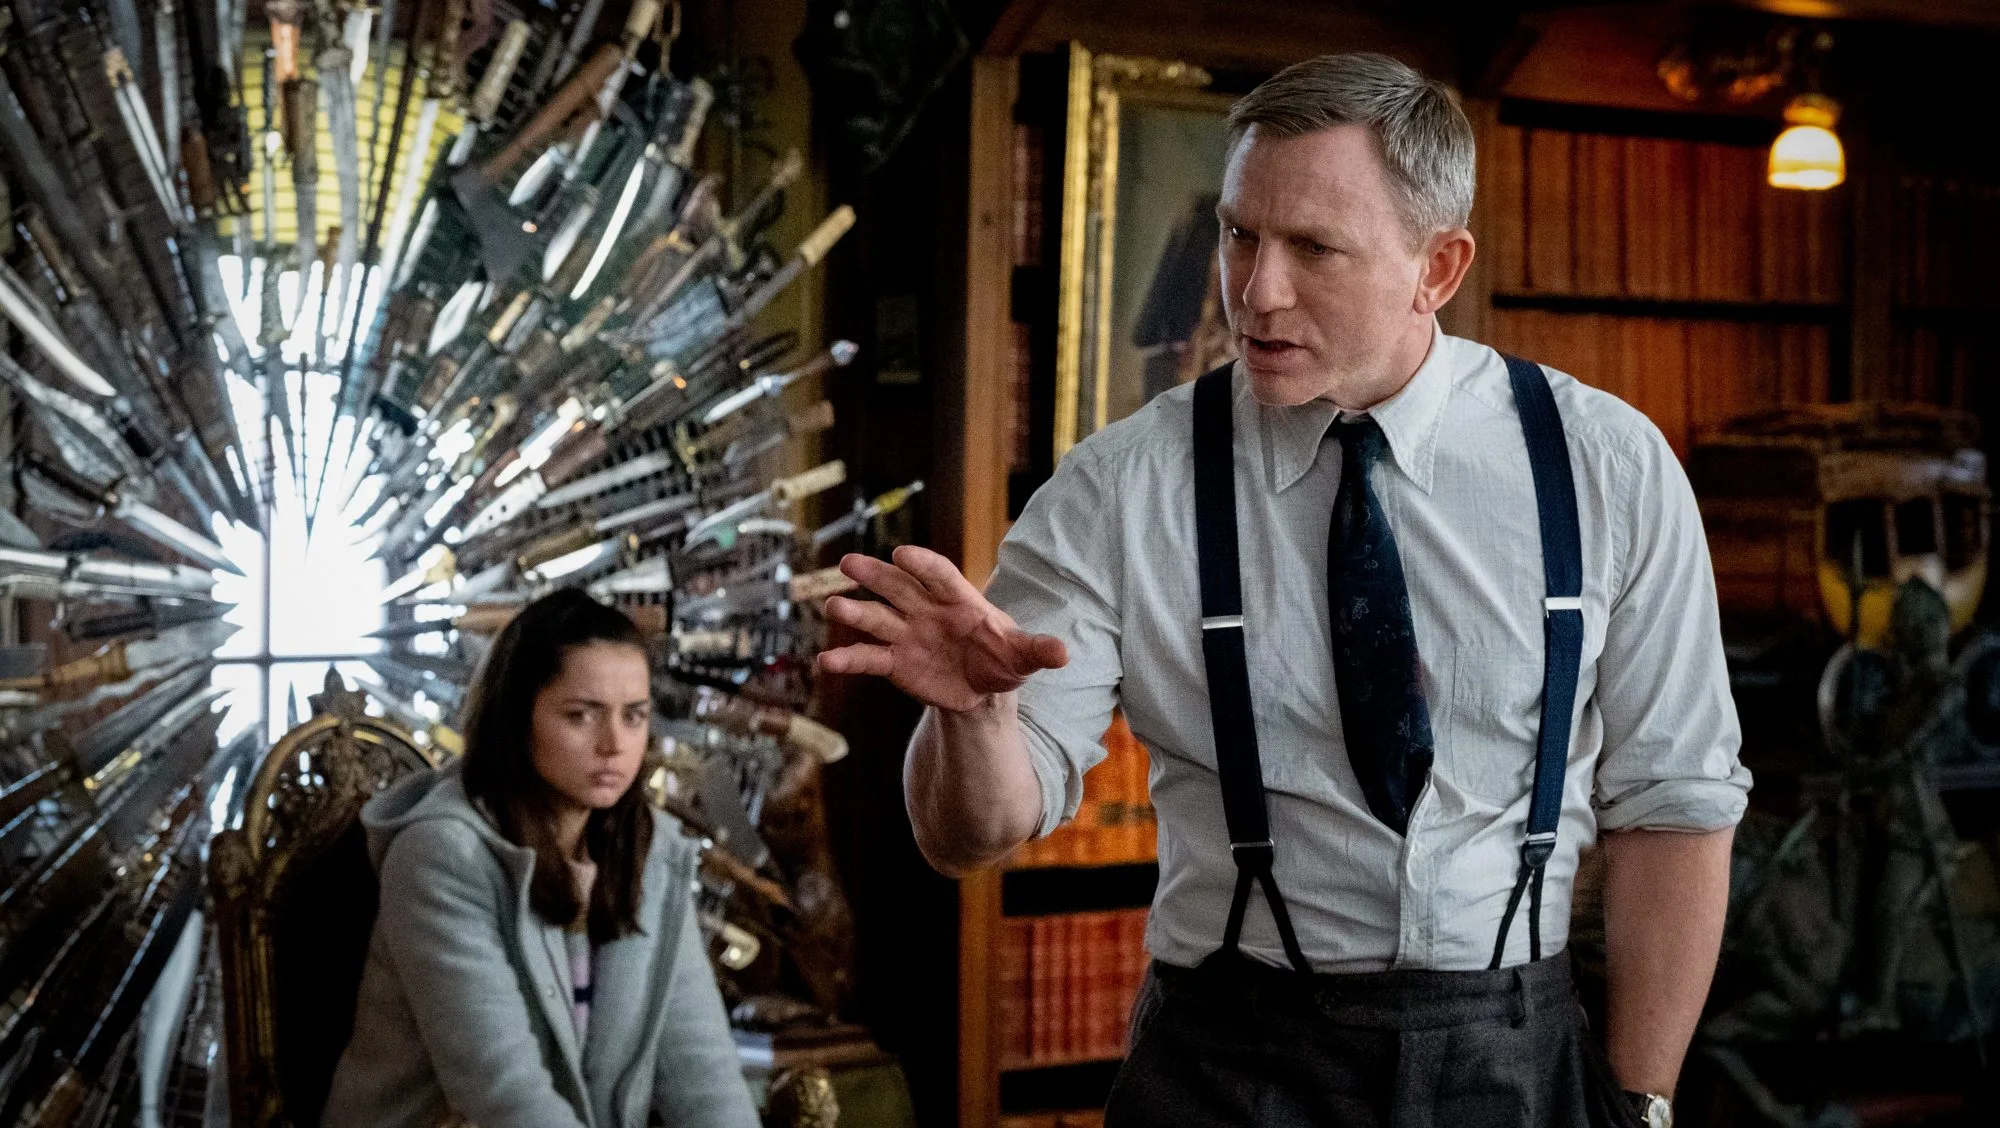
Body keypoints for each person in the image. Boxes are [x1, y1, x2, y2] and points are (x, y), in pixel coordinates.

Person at [820, 52, 1750, 1128]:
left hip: (1514, 1056)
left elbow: (1675, 807)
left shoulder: (1604, 467)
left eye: (1313, 247)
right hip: (1228, 1062)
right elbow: (966, 836)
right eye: (1237, 234)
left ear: (1437, 268)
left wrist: (1640, 1105)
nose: (1255, 290)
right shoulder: (1122, 487)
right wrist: (977, 718)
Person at [323, 589, 759, 1128]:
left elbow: (704, 1071)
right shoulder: (439, 856)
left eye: (634, 716)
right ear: (517, 718)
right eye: (581, 716)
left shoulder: (650, 851)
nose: (614, 744)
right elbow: (505, 1093)